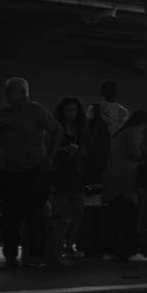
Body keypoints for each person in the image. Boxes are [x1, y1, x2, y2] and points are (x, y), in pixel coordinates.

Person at [0, 77, 61, 268]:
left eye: (13, 91)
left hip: (34, 170)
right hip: (9, 172)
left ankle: (36, 255)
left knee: (35, 214)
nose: (8, 95)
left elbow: (56, 130)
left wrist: (50, 158)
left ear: (24, 93)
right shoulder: (4, 112)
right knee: (9, 215)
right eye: (8, 91)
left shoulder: (36, 110)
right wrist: (2, 124)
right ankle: (10, 253)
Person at [100, 110, 147, 260]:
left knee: (116, 218)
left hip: (114, 182)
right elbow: (135, 154)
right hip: (125, 182)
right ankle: (130, 251)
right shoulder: (134, 132)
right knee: (129, 217)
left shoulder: (121, 133)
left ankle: (113, 251)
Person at [51, 96, 88, 260]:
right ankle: (60, 245)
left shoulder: (82, 129)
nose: (72, 113)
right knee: (64, 212)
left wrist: (80, 151)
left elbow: (88, 149)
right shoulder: (57, 128)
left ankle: (69, 243)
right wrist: (63, 150)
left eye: (74, 110)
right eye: (68, 110)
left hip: (77, 172)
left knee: (78, 211)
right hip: (61, 172)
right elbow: (50, 147)